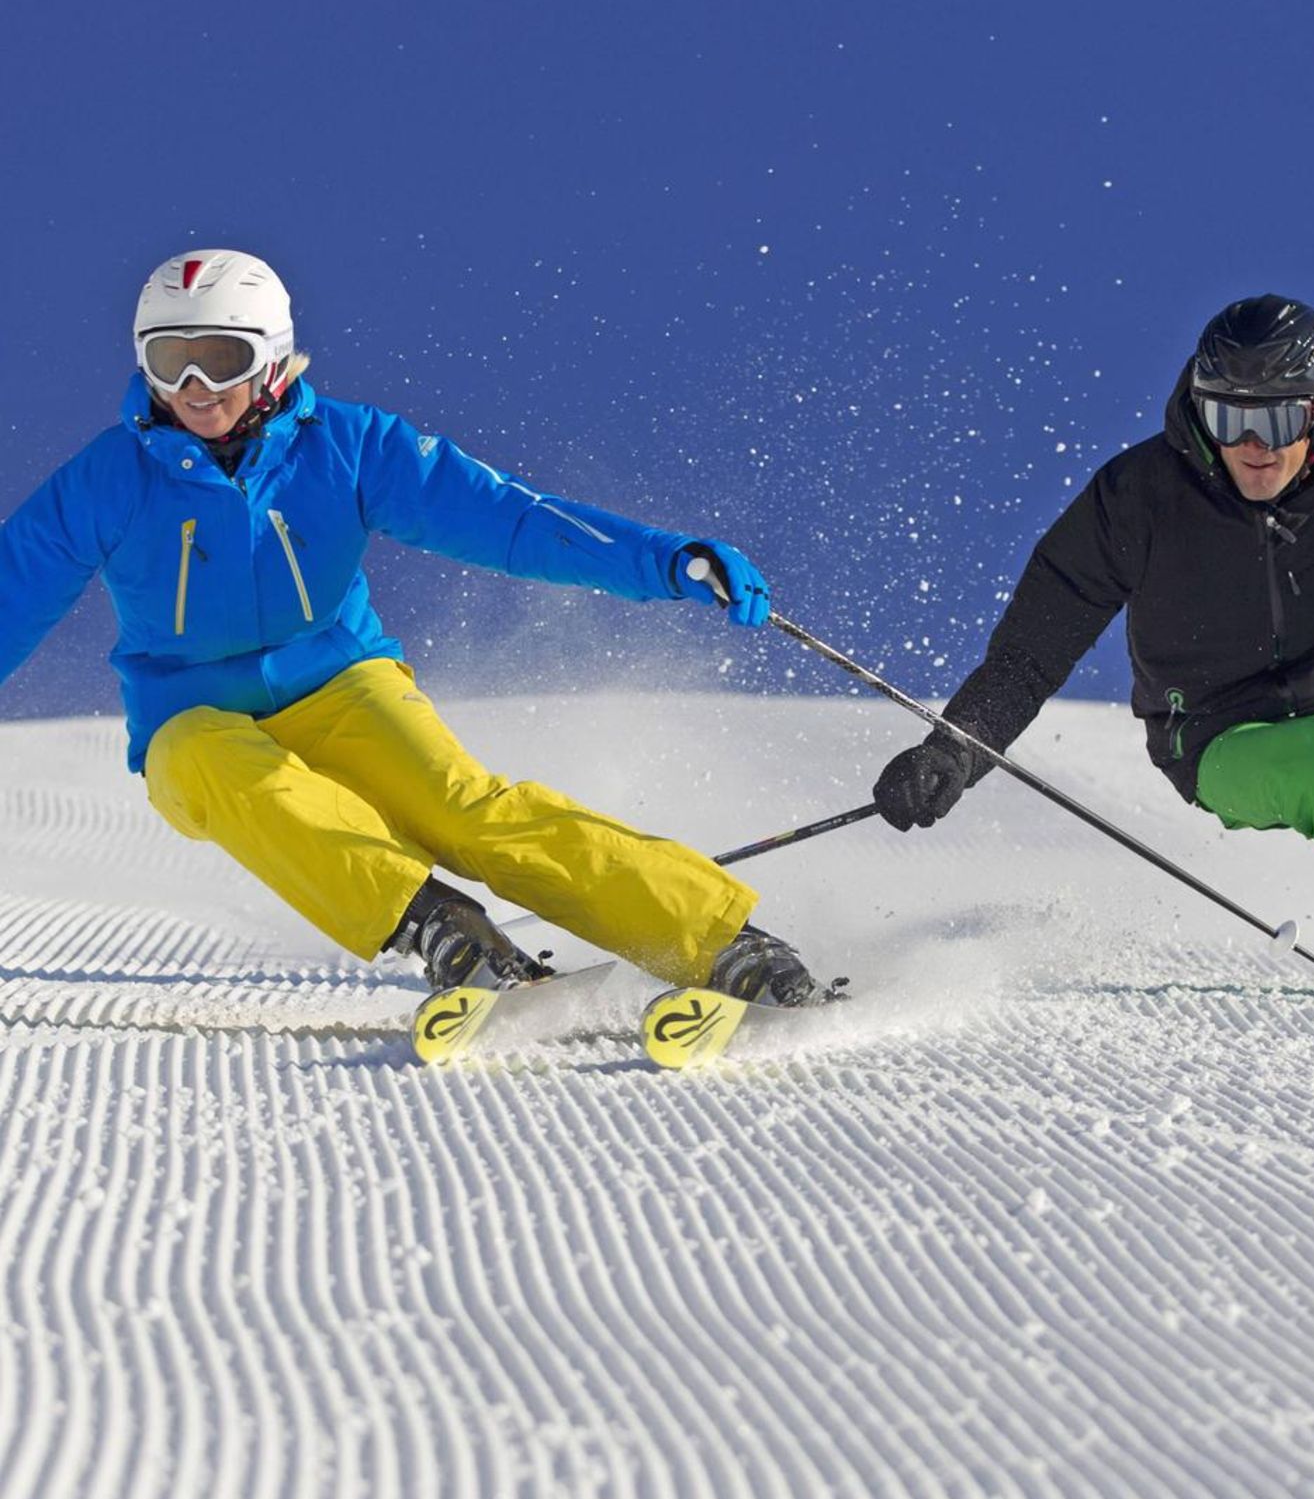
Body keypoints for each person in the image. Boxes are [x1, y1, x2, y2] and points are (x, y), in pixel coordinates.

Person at [0, 247, 824, 1005]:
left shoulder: (350, 449)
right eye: (167, 360)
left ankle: (723, 943)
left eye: (220, 358)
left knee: (464, 811)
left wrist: (663, 559)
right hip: (193, 714)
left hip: (341, 684)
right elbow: (14, 586)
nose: (194, 386)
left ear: (274, 359)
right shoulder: (110, 478)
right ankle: (440, 925)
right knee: (196, 760)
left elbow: (507, 518)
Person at [872, 293, 1314, 942]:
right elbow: (1031, 652)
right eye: (1228, 418)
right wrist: (952, 748)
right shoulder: (1136, 499)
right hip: (1225, 734)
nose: (1252, 446)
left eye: (1278, 421)